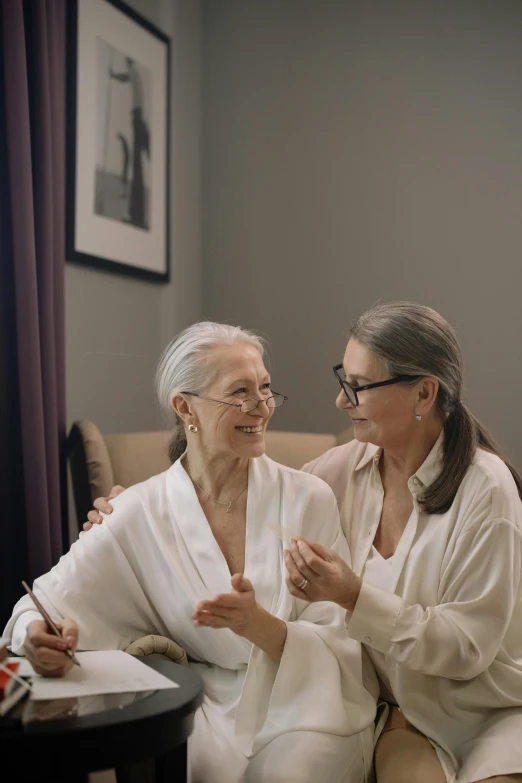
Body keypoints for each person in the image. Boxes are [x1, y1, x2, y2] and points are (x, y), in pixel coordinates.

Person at [89, 302, 522, 783]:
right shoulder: (340, 471)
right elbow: (245, 493)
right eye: (344, 379)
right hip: (399, 719)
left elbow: (466, 649)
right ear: (183, 406)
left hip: (483, 712)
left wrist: (351, 596)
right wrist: (129, 510)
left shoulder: (486, 488)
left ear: (424, 393)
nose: (341, 401)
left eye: (357, 387)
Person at [3, 322, 377, 783]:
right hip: (204, 704)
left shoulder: (308, 498)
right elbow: (38, 606)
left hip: (305, 700)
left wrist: (260, 626)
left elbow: (344, 640)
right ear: (185, 407)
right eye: (239, 391)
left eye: (264, 388)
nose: (260, 406)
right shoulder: (135, 512)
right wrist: (38, 634)